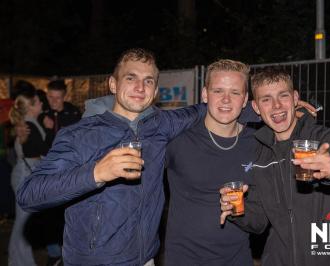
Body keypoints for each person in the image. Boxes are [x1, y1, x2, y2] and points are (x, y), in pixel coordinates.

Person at [16, 48, 205, 266]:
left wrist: (251, 105)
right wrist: (96, 173)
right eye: (131, 78)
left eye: (148, 81)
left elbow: (209, 110)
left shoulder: (161, 124)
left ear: (155, 92)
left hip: (145, 260)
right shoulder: (81, 134)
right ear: (113, 84)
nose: (140, 87)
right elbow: (29, 194)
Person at [220, 67, 330, 266]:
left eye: (283, 96)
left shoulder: (324, 138)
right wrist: (235, 210)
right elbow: (258, 222)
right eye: (266, 99)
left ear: (295, 98)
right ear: (256, 107)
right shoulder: (259, 156)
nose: (276, 106)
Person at [164, 59, 258, 265]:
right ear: (205, 94)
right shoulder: (178, 140)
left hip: (238, 258)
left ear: (245, 100)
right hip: (184, 259)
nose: (226, 99)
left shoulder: (259, 142)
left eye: (235, 92)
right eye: (218, 91)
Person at [8, 88, 51, 266]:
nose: (42, 103)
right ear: (31, 106)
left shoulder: (30, 122)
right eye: (39, 101)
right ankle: (19, 262)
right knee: (23, 223)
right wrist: (49, 130)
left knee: (24, 222)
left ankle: (19, 261)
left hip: (25, 174)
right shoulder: (28, 125)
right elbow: (43, 150)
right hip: (26, 175)